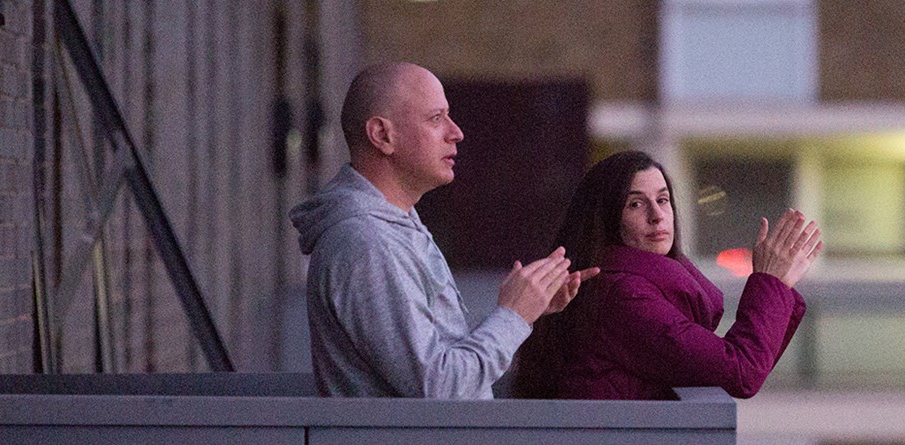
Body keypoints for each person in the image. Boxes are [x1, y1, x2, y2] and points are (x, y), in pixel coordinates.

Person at [291, 62, 597, 399]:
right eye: (436, 119)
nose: (456, 132)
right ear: (382, 135)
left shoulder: (393, 226)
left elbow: (444, 363)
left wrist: (526, 313)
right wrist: (513, 316)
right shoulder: (367, 243)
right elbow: (441, 389)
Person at [511, 151, 820, 400]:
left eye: (662, 200)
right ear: (605, 220)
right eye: (635, 204)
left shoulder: (632, 286)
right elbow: (740, 371)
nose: (656, 215)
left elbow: (747, 365)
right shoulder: (620, 295)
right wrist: (771, 284)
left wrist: (777, 285)